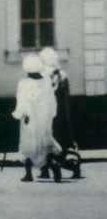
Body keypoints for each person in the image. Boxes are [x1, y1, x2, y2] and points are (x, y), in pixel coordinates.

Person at [12, 53, 59, 183]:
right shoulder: (47, 82)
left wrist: (18, 114)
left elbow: (21, 101)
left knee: (28, 145)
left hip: (29, 119)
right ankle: (50, 168)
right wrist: (51, 115)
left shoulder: (24, 83)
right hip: (44, 119)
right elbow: (52, 101)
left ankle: (28, 174)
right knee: (44, 144)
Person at [41, 47, 81, 180]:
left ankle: (46, 169)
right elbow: (66, 100)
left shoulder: (44, 75)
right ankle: (74, 167)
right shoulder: (63, 75)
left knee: (46, 142)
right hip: (62, 115)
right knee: (63, 143)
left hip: (48, 115)